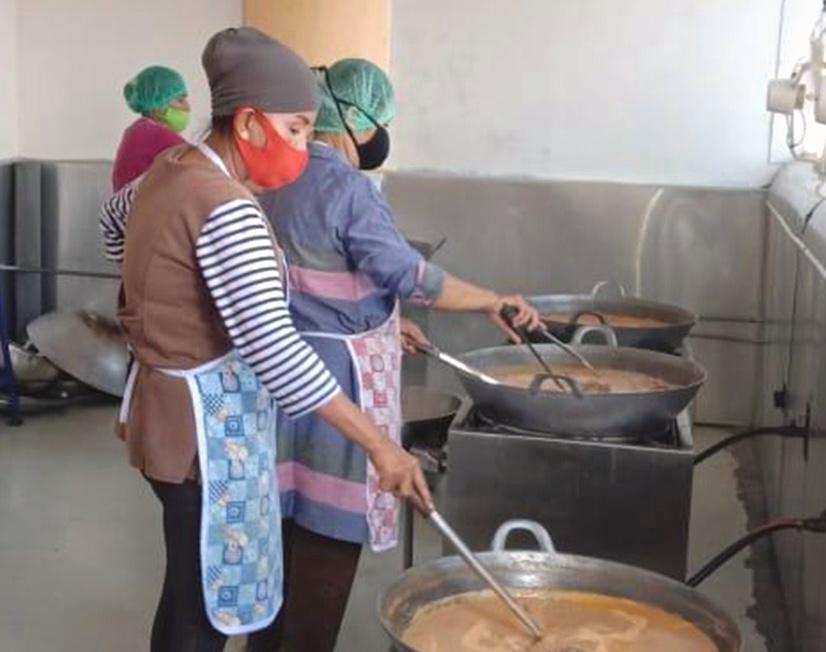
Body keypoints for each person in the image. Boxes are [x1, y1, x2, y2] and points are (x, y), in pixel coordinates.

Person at [99, 29, 431, 652]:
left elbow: (112, 220)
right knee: (202, 611)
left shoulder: (173, 167)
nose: (307, 146)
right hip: (203, 432)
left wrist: (158, 302)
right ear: (250, 123)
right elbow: (278, 355)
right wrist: (380, 446)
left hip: (156, 412)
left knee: (185, 589)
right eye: (300, 128)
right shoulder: (229, 207)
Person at [250, 58, 541, 652]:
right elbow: (409, 275)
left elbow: (317, 283)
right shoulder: (349, 189)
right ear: (355, 119)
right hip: (338, 391)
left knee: (279, 540)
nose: (381, 131)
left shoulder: (269, 179)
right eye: (379, 119)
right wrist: (491, 301)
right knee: (327, 544)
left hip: (277, 379)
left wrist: (386, 323)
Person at [111, 65, 192, 191]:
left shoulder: (139, 129)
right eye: (180, 100)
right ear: (159, 105)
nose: (188, 107)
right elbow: (199, 167)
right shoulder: (152, 133)